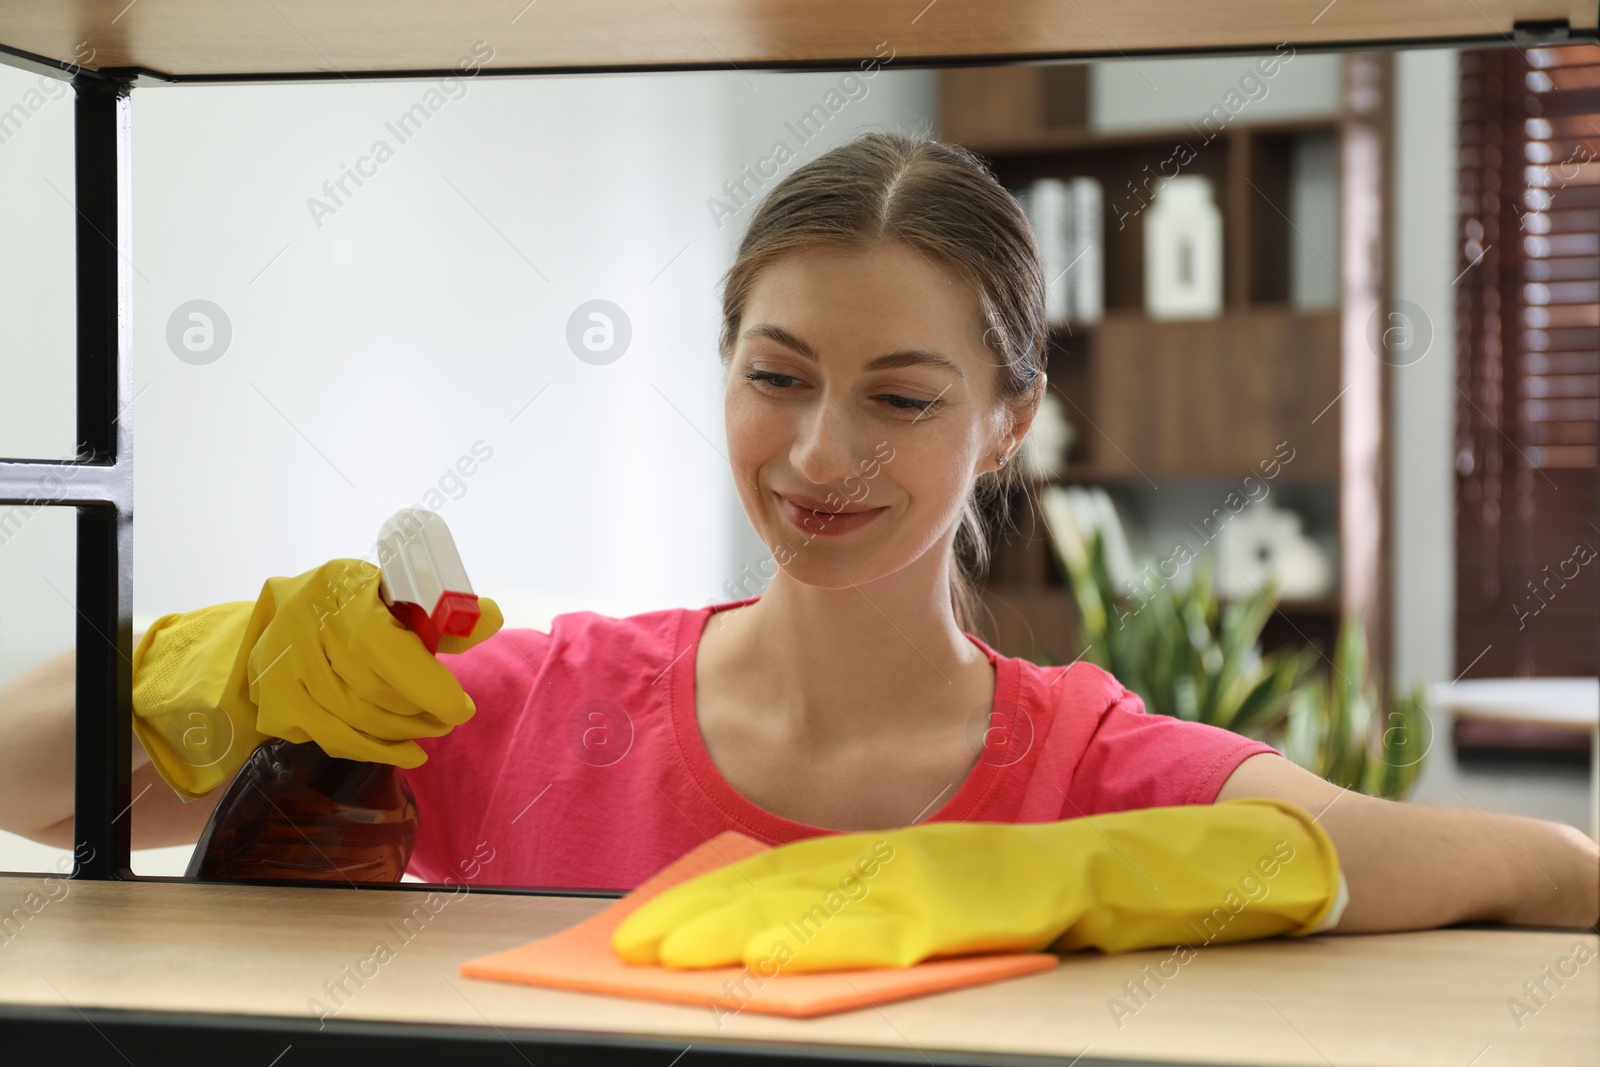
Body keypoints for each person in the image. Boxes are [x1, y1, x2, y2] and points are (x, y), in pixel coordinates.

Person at [2, 131, 1594, 954]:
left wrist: (1113, 864)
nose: (821, 455)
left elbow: (1543, 874)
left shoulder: (1097, 770)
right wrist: (203, 666)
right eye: (776, 377)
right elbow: (22, 778)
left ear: (1011, 421)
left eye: (903, 398)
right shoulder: (531, 704)